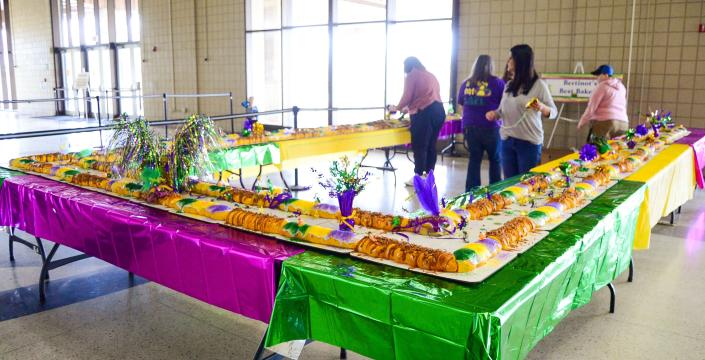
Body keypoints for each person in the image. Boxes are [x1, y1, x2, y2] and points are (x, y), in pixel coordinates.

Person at [486, 44, 557, 178]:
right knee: (509, 184)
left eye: (511, 58)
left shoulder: (539, 85)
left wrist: (541, 107)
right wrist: (494, 114)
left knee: (526, 185)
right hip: (507, 140)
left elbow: (553, 112)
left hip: (528, 143)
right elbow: (501, 111)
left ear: (520, 61)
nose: (508, 61)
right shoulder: (508, 85)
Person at [389, 57, 445, 186]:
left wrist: (397, 108)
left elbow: (407, 96)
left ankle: (418, 177)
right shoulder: (430, 75)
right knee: (431, 145)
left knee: (420, 145)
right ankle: (429, 176)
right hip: (439, 111)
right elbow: (424, 95)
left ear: (408, 66)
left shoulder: (412, 74)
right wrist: (408, 108)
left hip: (425, 113)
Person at [457, 55, 505, 191]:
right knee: (495, 159)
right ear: (491, 66)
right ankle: (495, 190)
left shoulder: (466, 83)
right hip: (490, 126)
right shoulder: (498, 83)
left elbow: (461, 103)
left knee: (474, 159)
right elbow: (504, 103)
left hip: (470, 126)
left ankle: (472, 192)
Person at [577, 64, 629, 140]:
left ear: (606, 75)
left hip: (605, 122)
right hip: (623, 123)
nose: (597, 78)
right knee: (616, 150)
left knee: (596, 150)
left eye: (598, 75)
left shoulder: (601, 86)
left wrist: (582, 121)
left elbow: (591, 108)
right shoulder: (622, 87)